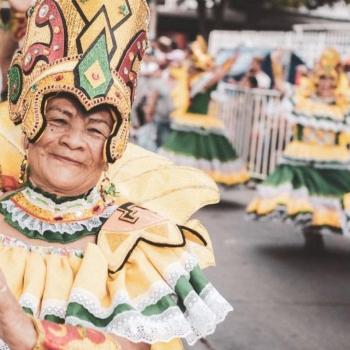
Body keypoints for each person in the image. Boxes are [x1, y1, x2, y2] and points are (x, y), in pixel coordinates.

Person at [0, 0, 232, 349]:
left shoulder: (137, 239)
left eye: (95, 129)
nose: (73, 141)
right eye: (59, 119)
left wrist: (20, 328)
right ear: (30, 122)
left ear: (113, 143)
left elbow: (133, 345)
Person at [247, 48, 350, 248]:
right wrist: (276, 66)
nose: (326, 84)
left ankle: (324, 225)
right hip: (303, 155)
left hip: (334, 158)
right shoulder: (302, 100)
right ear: (315, 79)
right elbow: (280, 87)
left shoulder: (343, 106)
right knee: (306, 195)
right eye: (322, 79)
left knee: (334, 196)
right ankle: (311, 231)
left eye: (330, 79)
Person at [160, 36, 250, 186]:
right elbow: (216, 77)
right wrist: (230, 62)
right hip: (195, 120)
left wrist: (228, 63)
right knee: (194, 153)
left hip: (195, 119)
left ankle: (190, 182)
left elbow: (215, 75)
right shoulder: (199, 80)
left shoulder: (193, 78)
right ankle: (190, 181)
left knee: (193, 153)